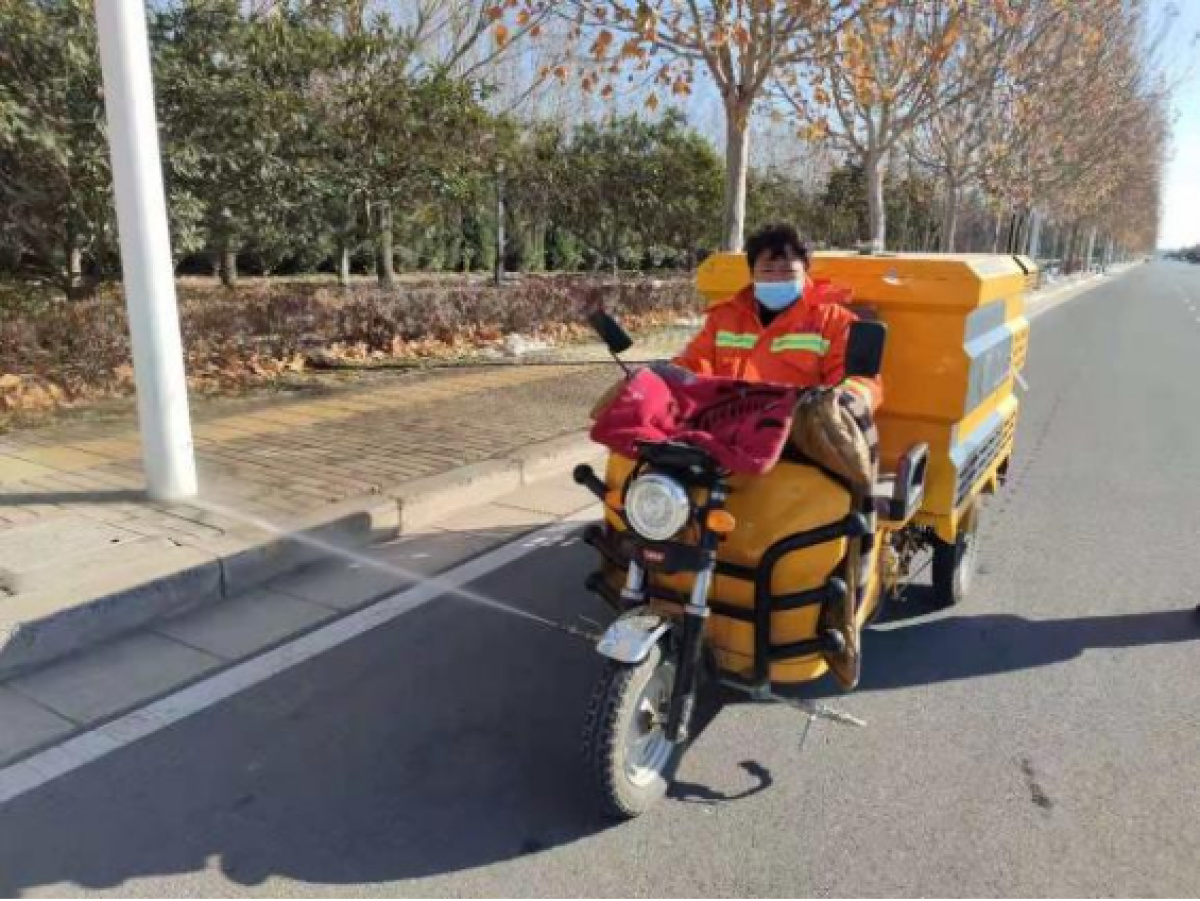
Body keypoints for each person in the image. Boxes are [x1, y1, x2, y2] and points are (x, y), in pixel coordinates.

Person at [673, 223, 881, 410]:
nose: (776, 278)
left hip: (799, 433)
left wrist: (846, 402)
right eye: (767, 270)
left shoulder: (835, 321)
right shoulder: (724, 318)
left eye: (787, 271)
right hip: (728, 426)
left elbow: (860, 381)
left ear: (805, 270)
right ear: (752, 273)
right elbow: (691, 366)